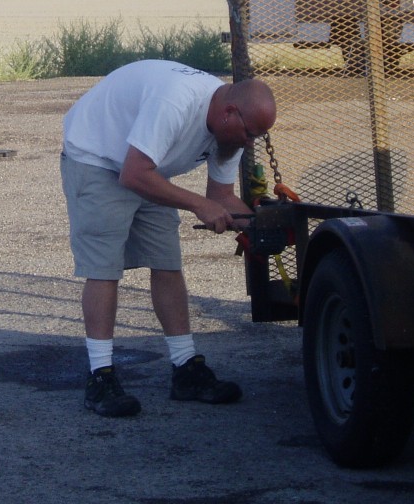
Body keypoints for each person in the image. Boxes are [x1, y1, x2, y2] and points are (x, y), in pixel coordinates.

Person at [60, 60, 276, 418]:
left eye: (256, 136)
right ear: (230, 112)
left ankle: (185, 368)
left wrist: (260, 226)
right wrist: (198, 206)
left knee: (167, 262)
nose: (250, 142)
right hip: (99, 158)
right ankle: (100, 376)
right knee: (104, 267)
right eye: (250, 133)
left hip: (149, 166)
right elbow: (133, 174)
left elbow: (220, 196)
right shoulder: (177, 102)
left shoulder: (232, 128)